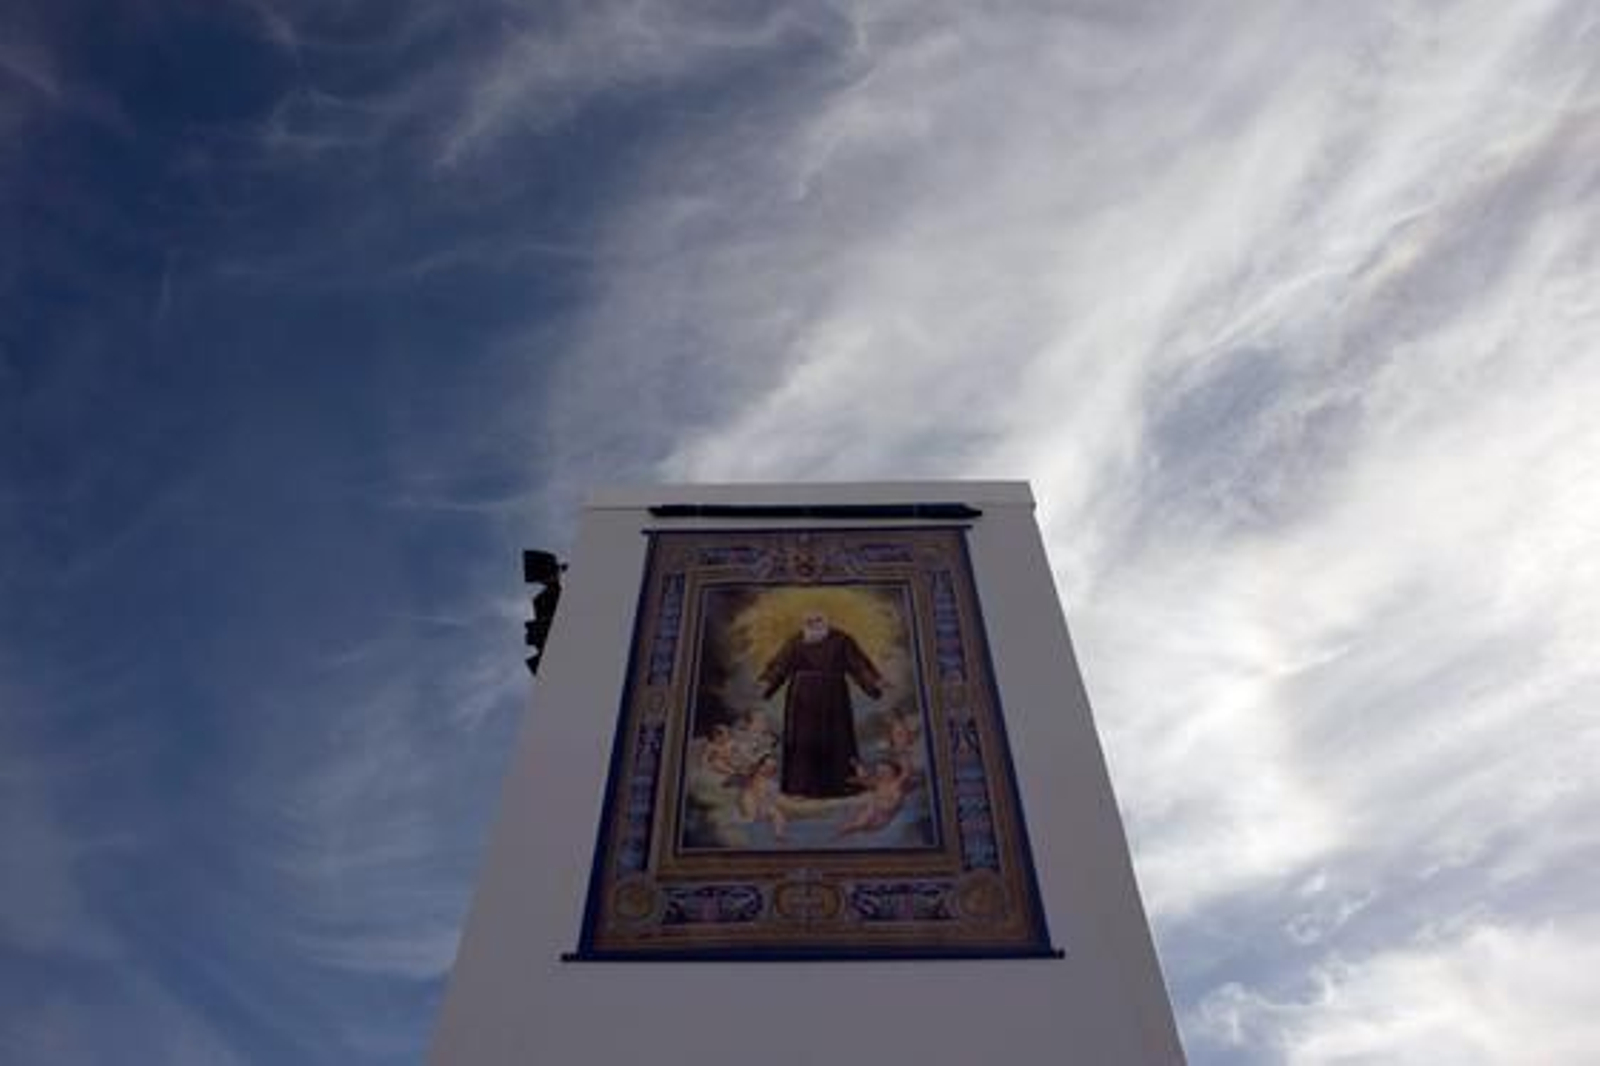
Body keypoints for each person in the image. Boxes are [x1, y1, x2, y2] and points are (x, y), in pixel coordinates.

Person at [759, 610, 884, 798]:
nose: (813, 624)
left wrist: (874, 684)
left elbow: (858, 665)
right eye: (809, 621)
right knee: (803, 742)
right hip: (802, 700)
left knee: (838, 738)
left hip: (834, 698)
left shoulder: (842, 640)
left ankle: (841, 787)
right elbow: (780, 667)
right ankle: (800, 788)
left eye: (818, 620)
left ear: (826, 622)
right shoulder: (795, 641)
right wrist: (766, 686)